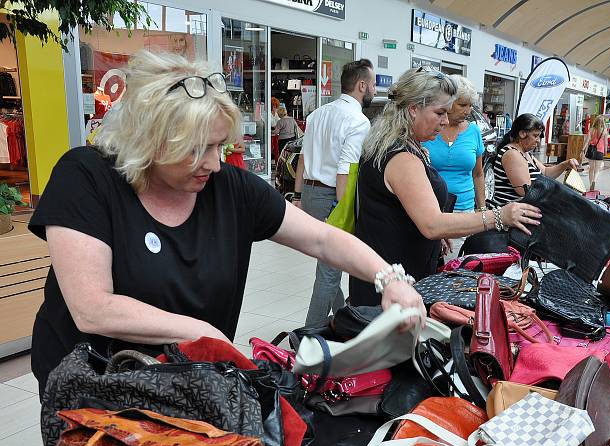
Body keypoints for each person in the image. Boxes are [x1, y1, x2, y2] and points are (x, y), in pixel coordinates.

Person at [27, 51, 423, 398]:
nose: (215, 163)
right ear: (148, 139)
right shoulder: (87, 178)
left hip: (187, 382)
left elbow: (321, 238)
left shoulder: (229, 188)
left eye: (221, 146)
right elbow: (93, 308)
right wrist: (205, 334)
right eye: (197, 149)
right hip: (93, 389)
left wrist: (389, 279)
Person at [350, 68, 540, 306]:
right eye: (439, 112)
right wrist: (499, 216)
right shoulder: (401, 157)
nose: (445, 121)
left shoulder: (401, 145)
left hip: (392, 274)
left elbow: (406, 212)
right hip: (393, 285)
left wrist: (436, 238)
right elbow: (432, 224)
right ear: (412, 109)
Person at [291, 59, 376, 326]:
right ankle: (307, 336)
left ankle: (343, 314)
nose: (374, 89)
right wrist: (344, 209)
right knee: (329, 272)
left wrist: (297, 196)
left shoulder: (318, 114)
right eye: (372, 84)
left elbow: (302, 158)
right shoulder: (359, 122)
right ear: (362, 85)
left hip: (309, 192)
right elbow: (345, 170)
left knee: (327, 264)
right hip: (332, 197)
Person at [422, 75, 485, 260]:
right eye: (462, 105)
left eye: (470, 105)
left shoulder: (473, 131)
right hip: (430, 210)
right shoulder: (430, 128)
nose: (468, 110)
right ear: (448, 103)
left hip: (463, 210)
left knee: (456, 268)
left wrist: (481, 210)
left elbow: (478, 174)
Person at [490, 114, 580, 206]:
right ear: (522, 134)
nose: (538, 140)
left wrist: (565, 164)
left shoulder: (525, 153)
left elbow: (545, 173)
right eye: (535, 136)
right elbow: (526, 190)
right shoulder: (512, 154)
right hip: (510, 214)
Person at [582, 115, 607, 191]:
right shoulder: (605, 130)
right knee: (597, 170)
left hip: (591, 151)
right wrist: (605, 152)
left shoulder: (591, 129)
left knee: (591, 169)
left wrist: (583, 150)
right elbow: (606, 143)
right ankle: (594, 181)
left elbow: (587, 141)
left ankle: (590, 185)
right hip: (600, 151)